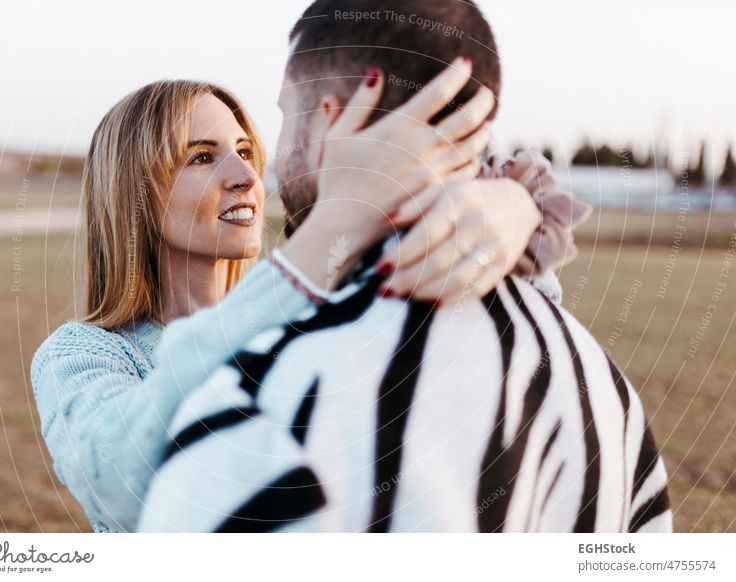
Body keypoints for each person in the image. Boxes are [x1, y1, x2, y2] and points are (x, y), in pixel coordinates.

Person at [138, 0, 672, 533]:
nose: (256, 169)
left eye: (284, 116)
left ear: (328, 122)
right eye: (202, 157)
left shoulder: (263, 403)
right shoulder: (606, 393)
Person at [30, 63, 568, 530]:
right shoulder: (82, 356)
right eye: (200, 157)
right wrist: (322, 241)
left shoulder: (318, 315)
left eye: (245, 151)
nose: (246, 177)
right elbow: (126, 489)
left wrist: (513, 206)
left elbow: (514, 366)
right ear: (134, 192)